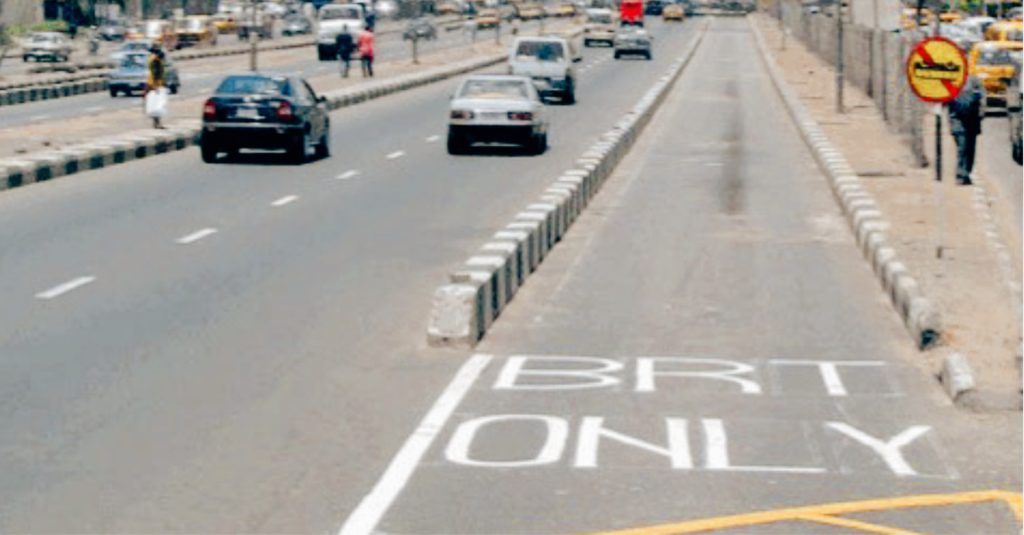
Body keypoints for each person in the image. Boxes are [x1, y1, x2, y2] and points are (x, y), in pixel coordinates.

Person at [947, 75, 983, 185]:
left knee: (970, 150)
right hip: (958, 121)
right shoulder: (951, 80)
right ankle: (961, 175)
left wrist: (980, 112)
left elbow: (982, 97)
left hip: (972, 121)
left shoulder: (974, 80)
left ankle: (967, 173)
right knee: (962, 148)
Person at [145, 45, 167, 129]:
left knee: (155, 104)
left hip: (152, 84)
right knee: (157, 104)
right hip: (155, 85)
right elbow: (155, 74)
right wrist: (156, 86)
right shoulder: (155, 61)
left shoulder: (151, 59)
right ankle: (157, 123)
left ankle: (156, 123)